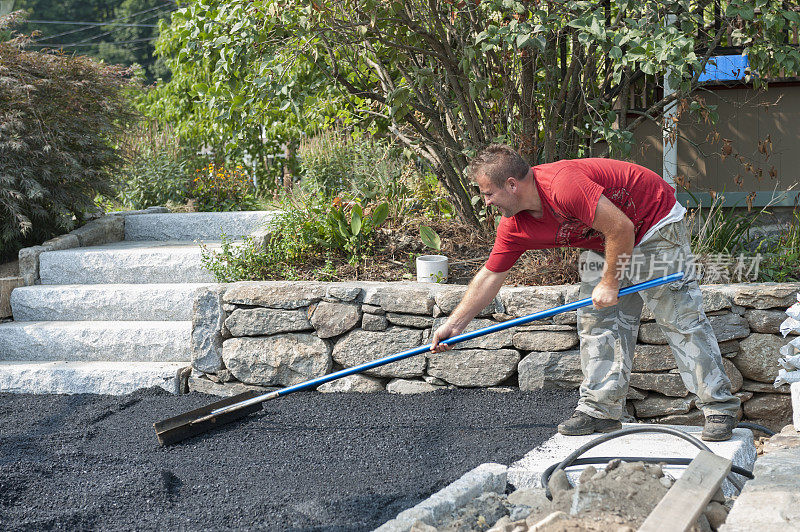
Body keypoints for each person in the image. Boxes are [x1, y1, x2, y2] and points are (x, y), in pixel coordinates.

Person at [430, 144, 740, 441]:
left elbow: (622, 228)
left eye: (488, 193)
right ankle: (601, 409)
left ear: (511, 185)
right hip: (607, 237)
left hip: (652, 222)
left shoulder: (563, 186)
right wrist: (454, 325)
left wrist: (611, 282)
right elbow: (490, 275)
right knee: (597, 320)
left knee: (679, 317)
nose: (486, 202)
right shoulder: (514, 226)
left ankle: (718, 408)